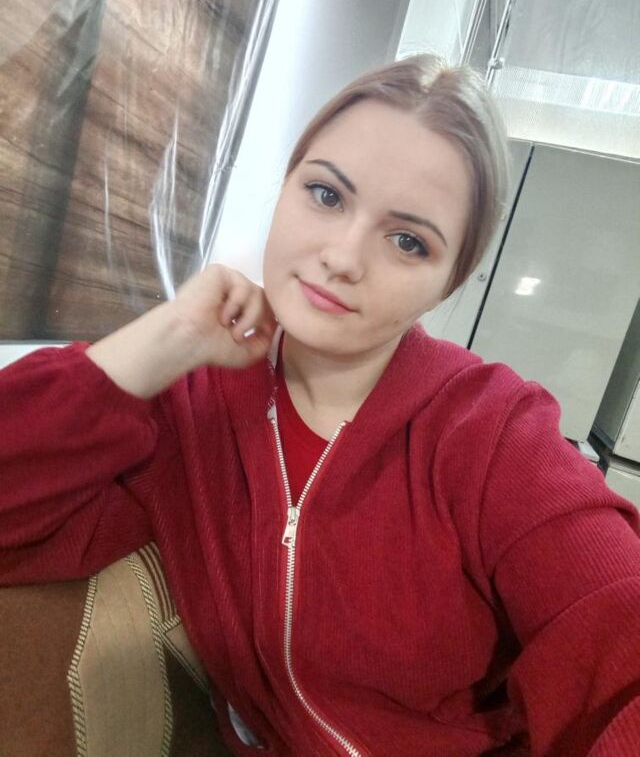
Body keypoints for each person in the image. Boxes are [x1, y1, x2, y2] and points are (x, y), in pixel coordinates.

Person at [1, 54, 640, 756]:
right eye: (327, 195)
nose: (343, 256)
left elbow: (616, 629)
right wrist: (166, 336)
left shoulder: (491, 432)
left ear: (448, 282)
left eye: (408, 241)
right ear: (283, 189)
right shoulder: (189, 407)